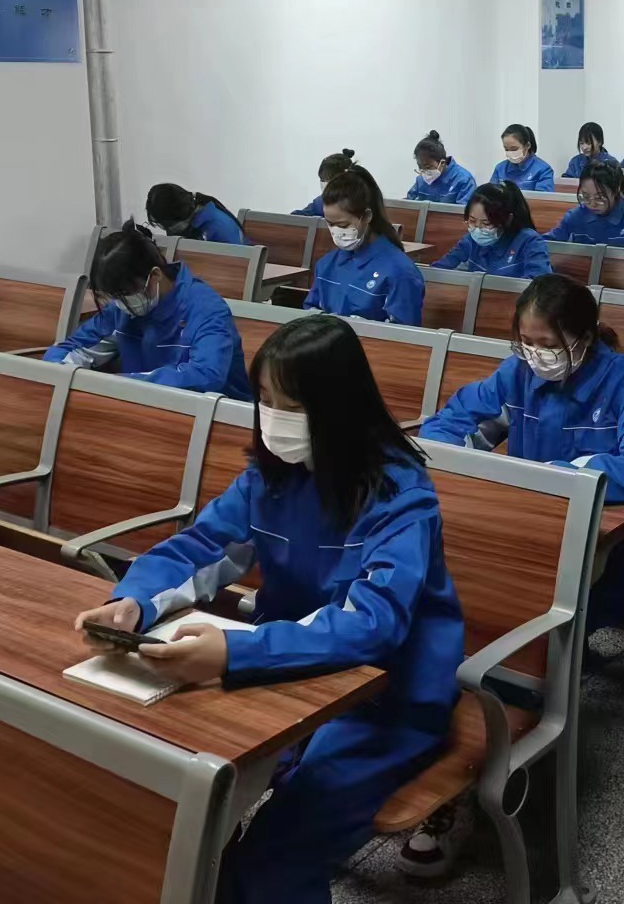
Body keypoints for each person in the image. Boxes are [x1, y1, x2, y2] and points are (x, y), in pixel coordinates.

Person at [75, 314, 463, 904]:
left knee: (274, 858)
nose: (273, 418)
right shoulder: (270, 477)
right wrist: (132, 603)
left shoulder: (399, 496)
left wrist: (236, 653)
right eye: (265, 400)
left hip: (383, 698)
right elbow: (202, 547)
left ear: (337, 407)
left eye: (291, 405)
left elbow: (372, 626)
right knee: (176, 820)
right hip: (286, 677)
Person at [421, 275, 624, 626]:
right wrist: (458, 457)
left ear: (585, 338)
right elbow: (450, 422)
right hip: (532, 521)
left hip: (621, 539)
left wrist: (560, 476)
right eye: (526, 343)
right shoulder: (518, 371)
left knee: (524, 603)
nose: (536, 356)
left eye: (548, 345)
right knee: (470, 575)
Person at [45, 223, 251, 399]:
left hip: (215, 418)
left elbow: (206, 375)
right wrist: (60, 369)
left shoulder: (206, 309)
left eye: (126, 293)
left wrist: (123, 383)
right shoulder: (121, 308)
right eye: (114, 296)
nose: (120, 304)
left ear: (155, 276)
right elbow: (72, 349)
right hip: (142, 407)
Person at [305, 167, 425, 325]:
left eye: (343, 225)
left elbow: (405, 334)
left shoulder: (400, 272)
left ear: (367, 216)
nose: (336, 232)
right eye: (330, 224)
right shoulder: (326, 264)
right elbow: (310, 311)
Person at [432, 182, 551, 278]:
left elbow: (538, 286)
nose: (477, 229)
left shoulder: (530, 241)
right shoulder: (469, 241)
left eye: (486, 223)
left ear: (507, 220)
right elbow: (439, 270)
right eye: (472, 221)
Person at [546, 158, 624, 249]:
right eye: (586, 197)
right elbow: (549, 243)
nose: (592, 204)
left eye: (599, 197)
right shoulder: (575, 216)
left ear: (616, 189)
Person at [146, 183, 246, 244]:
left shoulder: (218, 228)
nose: (169, 230)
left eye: (166, 226)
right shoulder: (194, 215)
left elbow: (238, 265)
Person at [405, 131, 477, 204]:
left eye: (427, 167)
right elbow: (406, 205)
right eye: (420, 167)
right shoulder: (421, 180)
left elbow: (465, 210)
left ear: (442, 163)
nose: (424, 171)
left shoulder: (464, 180)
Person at [490, 124, 554, 192]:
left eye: (514, 149)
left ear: (527, 146)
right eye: (506, 149)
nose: (510, 152)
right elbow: (490, 193)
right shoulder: (500, 168)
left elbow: (543, 197)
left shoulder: (543, 170)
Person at [293, 149, 356, 216]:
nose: (326, 184)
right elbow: (294, 217)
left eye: (331, 180)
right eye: (323, 180)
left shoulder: (359, 203)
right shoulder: (319, 204)